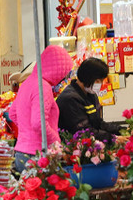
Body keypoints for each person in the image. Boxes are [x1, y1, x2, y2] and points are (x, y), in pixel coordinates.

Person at [7, 45, 74, 174]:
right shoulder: (43, 87)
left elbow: (13, 113)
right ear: (58, 70)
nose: (63, 78)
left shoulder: (26, 83)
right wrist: (56, 140)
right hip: (37, 155)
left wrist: (27, 132)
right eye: (64, 73)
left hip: (21, 153)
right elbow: (39, 123)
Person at [57, 57, 123, 137]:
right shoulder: (70, 99)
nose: (101, 84)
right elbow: (83, 132)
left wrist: (121, 130)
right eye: (98, 81)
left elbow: (98, 123)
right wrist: (112, 139)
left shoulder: (90, 94)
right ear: (87, 78)